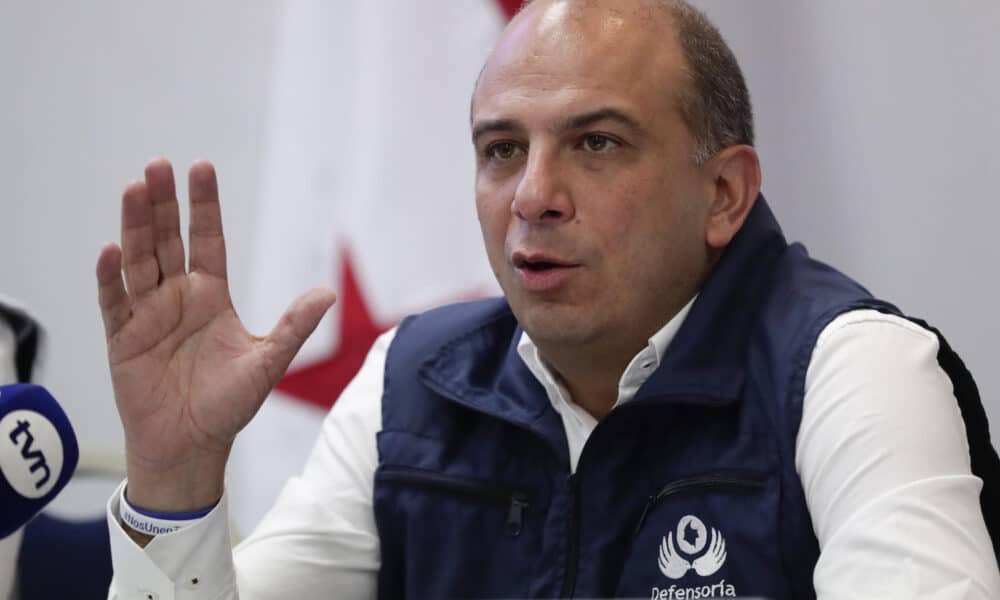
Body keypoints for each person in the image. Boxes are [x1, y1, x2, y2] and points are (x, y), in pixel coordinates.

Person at [99, 0, 1000, 598]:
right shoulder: (411, 385)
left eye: (597, 143)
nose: (533, 195)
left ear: (724, 194)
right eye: (500, 149)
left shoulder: (850, 370)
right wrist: (175, 482)